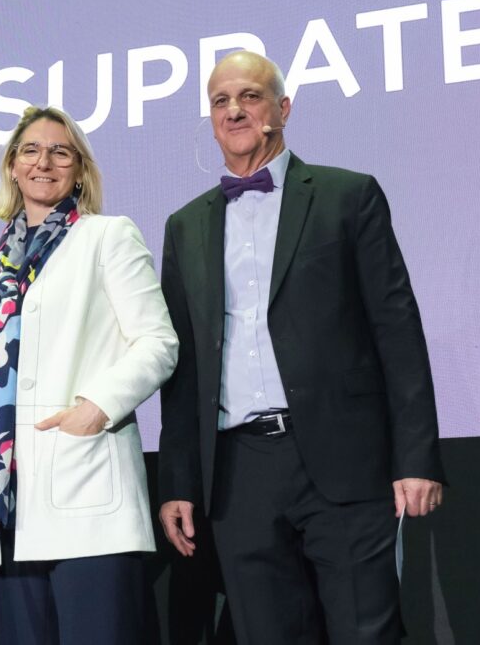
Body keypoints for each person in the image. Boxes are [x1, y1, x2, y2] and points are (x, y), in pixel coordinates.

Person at [158, 50, 446, 643]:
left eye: (250, 96)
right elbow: (183, 370)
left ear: (283, 108)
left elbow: (397, 330)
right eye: (220, 100)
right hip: (238, 475)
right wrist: (179, 482)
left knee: (368, 633)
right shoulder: (185, 226)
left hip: (344, 461)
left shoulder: (348, 195)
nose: (234, 109)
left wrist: (415, 457)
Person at [0, 106, 178, 644]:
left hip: (87, 492)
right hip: (9, 496)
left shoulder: (108, 236)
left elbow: (158, 342)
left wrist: (96, 407)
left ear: (79, 170)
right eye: (31, 150)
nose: (44, 162)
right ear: (12, 166)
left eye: (61, 152)